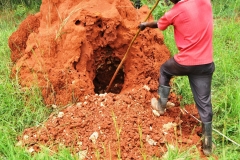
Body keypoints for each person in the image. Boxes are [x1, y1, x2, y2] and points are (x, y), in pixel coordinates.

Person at [139, 0, 215, 156]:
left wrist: (144, 25)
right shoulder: (205, 2)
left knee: (165, 70)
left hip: (186, 62)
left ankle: (160, 105)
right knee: (204, 101)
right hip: (206, 64)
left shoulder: (175, 11)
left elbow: (159, 24)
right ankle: (208, 145)